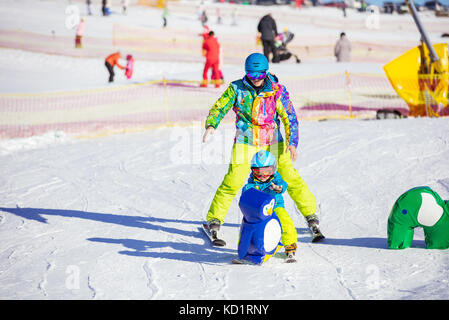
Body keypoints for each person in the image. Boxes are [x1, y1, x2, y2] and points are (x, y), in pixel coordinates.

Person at [202, 53, 321, 247]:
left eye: (259, 75)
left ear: (265, 73)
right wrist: (211, 125)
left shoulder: (276, 90)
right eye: (251, 74)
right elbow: (219, 107)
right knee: (233, 180)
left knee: (289, 177)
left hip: (273, 140)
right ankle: (214, 220)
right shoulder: (236, 88)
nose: (255, 79)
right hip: (246, 140)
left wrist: (292, 142)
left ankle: (311, 216)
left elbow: (289, 116)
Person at [242, 150, 298, 260]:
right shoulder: (252, 183)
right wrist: (247, 195)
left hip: (275, 206)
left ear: (273, 169)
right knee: (248, 225)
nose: (262, 176)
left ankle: (290, 244)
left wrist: (278, 188)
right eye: (258, 172)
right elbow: (247, 191)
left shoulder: (275, 179)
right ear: (253, 171)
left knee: (284, 221)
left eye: (267, 171)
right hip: (258, 210)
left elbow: (283, 184)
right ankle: (246, 248)